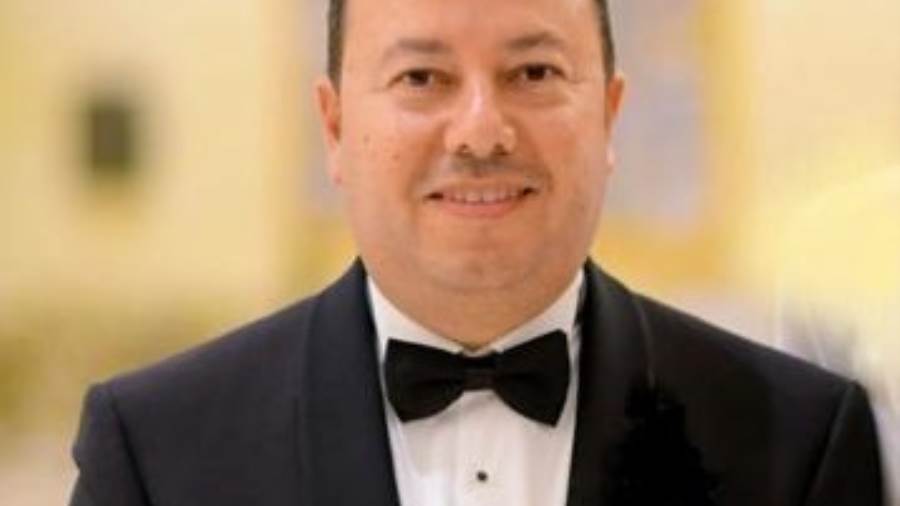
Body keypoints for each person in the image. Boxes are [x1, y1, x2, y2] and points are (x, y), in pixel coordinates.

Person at [69, 0, 884, 504]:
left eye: (533, 72)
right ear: (335, 126)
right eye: (422, 78)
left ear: (609, 114)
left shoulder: (801, 442)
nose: (482, 131)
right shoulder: (157, 451)